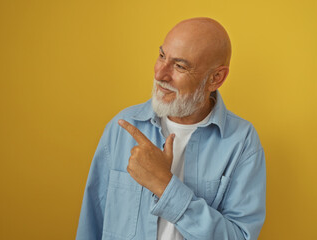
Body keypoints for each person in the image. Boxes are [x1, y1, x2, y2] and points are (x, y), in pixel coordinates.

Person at [76, 17, 266, 240]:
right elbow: (92, 223)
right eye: (161, 56)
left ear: (215, 78)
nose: (160, 74)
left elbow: (240, 237)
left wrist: (164, 186)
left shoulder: (242, 142)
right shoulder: (121, 127)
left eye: (180, 66)